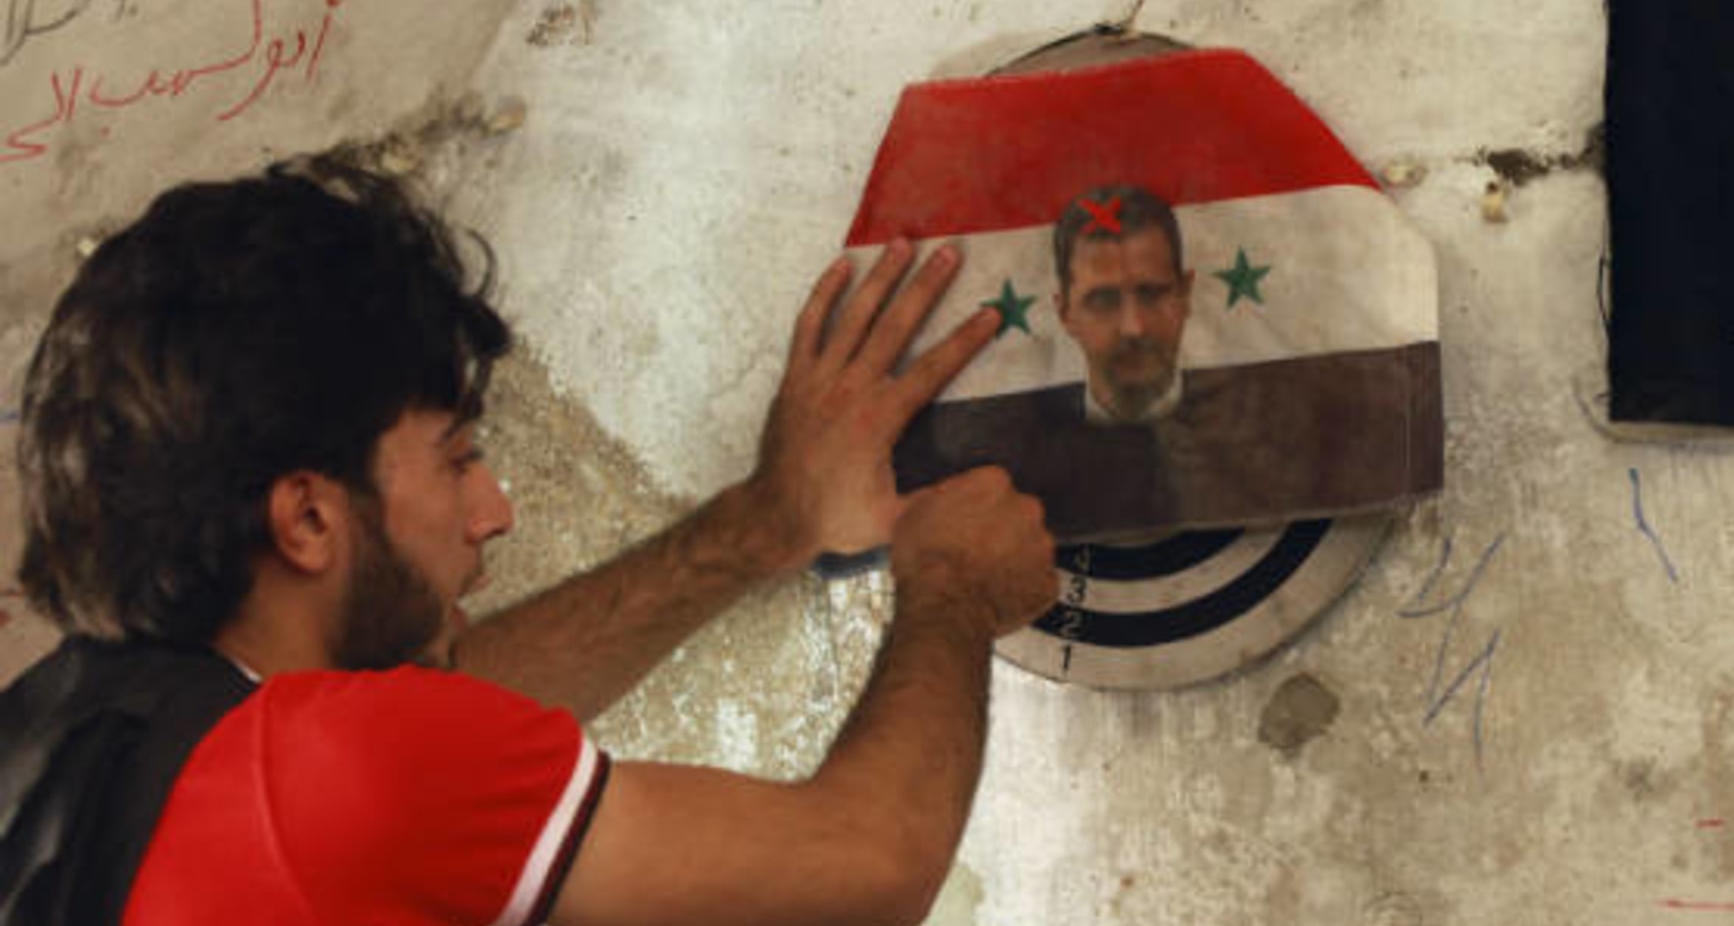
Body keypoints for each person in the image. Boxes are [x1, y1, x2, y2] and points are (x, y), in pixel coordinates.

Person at [0, 156, 1057, 926]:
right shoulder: (335, 771)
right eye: (456, 458)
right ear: (310, 518)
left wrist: (765, 522)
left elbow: (457, 711)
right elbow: (868, 869)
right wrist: (953, 584)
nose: (493, 507)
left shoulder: (77, 732)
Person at [1050, 184, 1195, 425]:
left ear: (1185, 295)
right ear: (1065, 312)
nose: (1134, 328)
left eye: (1152, 294)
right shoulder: (1019, 428)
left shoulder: (1254, 409)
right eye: (1104, 302)